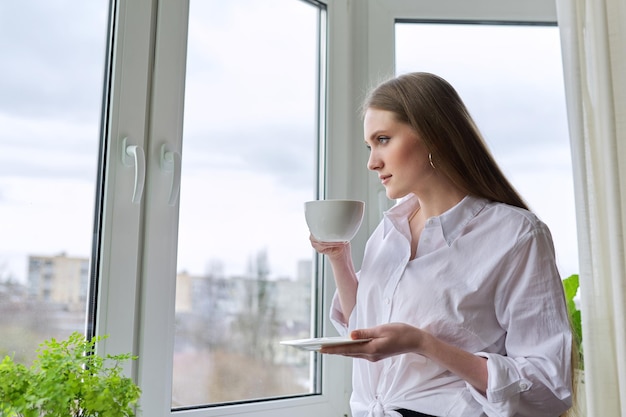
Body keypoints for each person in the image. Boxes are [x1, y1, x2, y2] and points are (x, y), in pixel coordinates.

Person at [310, 72, 574, 417]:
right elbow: (364, 329)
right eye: (370, 145)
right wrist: (340, 260)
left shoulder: (516, 235)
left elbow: (549, 385)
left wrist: (424, 344)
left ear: (433, 135)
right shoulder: (389, 232)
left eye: (384, 139)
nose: (372, 162)